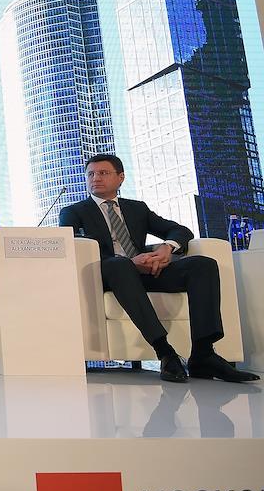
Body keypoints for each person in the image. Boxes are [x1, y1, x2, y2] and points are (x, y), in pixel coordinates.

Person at [59, 153, 258, 383]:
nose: (95, 178)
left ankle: (204, 354)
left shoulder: (137, 208)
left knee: (203, 265)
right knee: (120, 265)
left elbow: (180, 230)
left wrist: (166, 248)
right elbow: (74, 247)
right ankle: (165, 352)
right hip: (107, 274)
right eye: (91, 174)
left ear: (121, 177)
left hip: (144, 273)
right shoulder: (74, 212)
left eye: (103, 173)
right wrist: (131, 262)